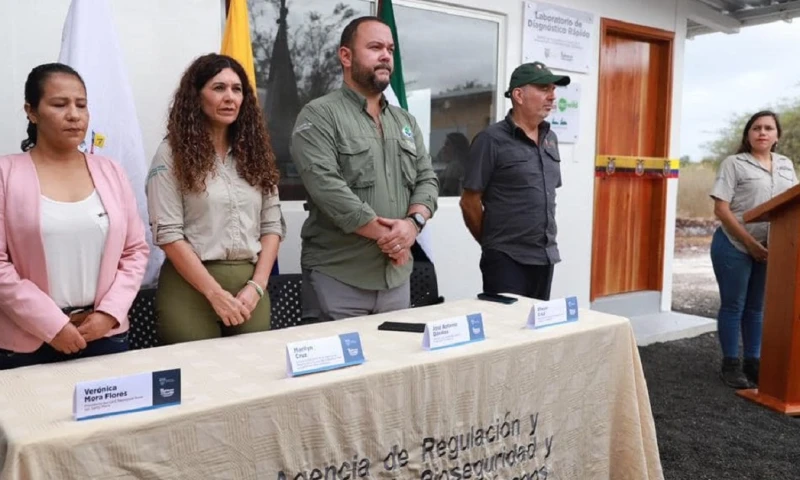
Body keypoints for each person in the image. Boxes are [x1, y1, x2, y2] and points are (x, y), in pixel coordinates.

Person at [0, 63, 149, 370]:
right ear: (31, 111)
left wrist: (108, 313)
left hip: (105, 335)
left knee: (116, 421)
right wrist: (53, 325)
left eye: (81, 104)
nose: (74, 114)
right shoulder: (6, 173)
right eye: (59, 104)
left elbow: (135, 251)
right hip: (28, 342)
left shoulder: (111, 172)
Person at [290, 16, 439, 322]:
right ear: (346, 56)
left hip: (396, 277)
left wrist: (412, 226)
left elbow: (427, 179)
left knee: (392, 366)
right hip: (340, 277)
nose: (386, 55)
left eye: (390, 48)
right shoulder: (319, 115)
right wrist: (396, 237)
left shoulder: (405, 122)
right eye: (375, 47)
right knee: (340, 370)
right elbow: (329, 190)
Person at [146, 54, 285, 345]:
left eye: (237, 89)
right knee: (197, 379)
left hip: (250, 286)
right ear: (196, 97)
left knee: (254, 375)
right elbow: (169, 234)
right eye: (219, 88)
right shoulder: (171, 154)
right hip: (190, 287)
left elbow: (272, 226)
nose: (230, 97)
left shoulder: (257, 153)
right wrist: (214, 294)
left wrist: (257, 287)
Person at [460, 62, 570, 301]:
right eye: (543, 89)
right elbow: (469, 203)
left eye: (553, 89)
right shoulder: (490, 140)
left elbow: (547, 195)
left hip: (545, 256)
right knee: (506, 332)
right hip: (506, 258)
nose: (552, 96)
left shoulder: (550, 138)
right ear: (519, 95)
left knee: (536, 331)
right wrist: (491, 244)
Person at [709, 110, 797, 389]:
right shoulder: (734, 163)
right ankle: (731, 365)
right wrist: (750, 243)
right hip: (735, 244)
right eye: (756, 128)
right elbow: (721, 208)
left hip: (771, 248)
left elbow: (792, 203)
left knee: (756, 308)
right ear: (748, 135)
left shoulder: (785, 164)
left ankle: (753, 363)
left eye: (768, 128)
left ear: (777, 136)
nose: (762, 132)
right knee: (734, 305)